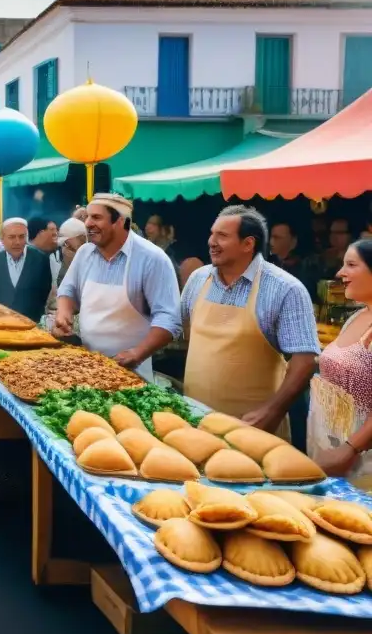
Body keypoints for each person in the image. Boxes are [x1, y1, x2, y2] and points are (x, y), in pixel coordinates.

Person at [182, 206, 319, 438]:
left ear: (248, 244)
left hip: (253, 430)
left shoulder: (285, 288)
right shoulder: (198, 279)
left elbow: (305, 361)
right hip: (194, 423)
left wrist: (272, 411)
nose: (211, 242)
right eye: (212, 234)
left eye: (222, 236)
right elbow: (184, 332)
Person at [55, 194, 180, 381]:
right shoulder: (85, 253)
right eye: (87, 216)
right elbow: (68, 290)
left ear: (120, 221)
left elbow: (169, 318)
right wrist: (63, 314)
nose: (88, 223)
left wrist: (137, 353)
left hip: (131, 372)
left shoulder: (152, 258)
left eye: (96, 217)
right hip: (85, 365)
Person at [308, 239, 372, 488]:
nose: (339, 273)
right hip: (329, 454)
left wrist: (349, 449)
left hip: (359, 462)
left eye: (351, 265)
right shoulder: (357, 317)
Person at [0, 218, 52, 321]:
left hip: (32, 326)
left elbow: (44, 292)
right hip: (0, 326)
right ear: (2, 239)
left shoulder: (40, 260)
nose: (17, 242)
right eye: (12, 237)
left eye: (21, 237)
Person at [45, 218, 88, 318]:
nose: (65, 250)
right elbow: (54, 301)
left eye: (68, 245)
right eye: (64, 245)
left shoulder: (93, 259)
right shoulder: (59, 262)